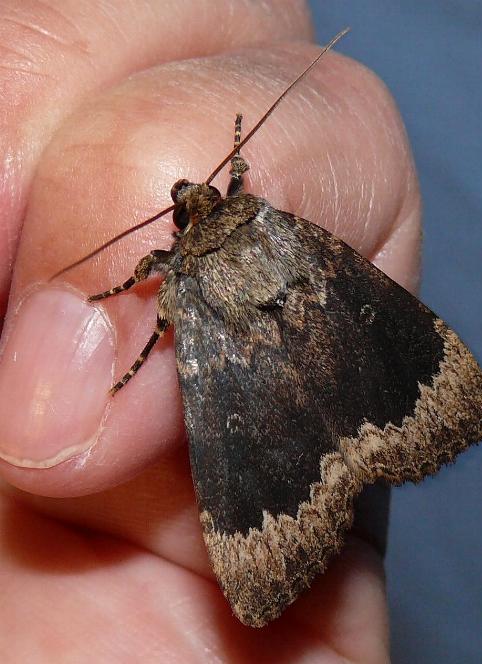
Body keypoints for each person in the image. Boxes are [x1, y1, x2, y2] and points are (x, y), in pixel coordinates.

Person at [0, 2, 423, 660]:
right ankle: (415, 415)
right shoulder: (263, 223)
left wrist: (117, 310)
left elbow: (153, 309)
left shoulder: (179, 271)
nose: (191, 198)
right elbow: (236, 180)